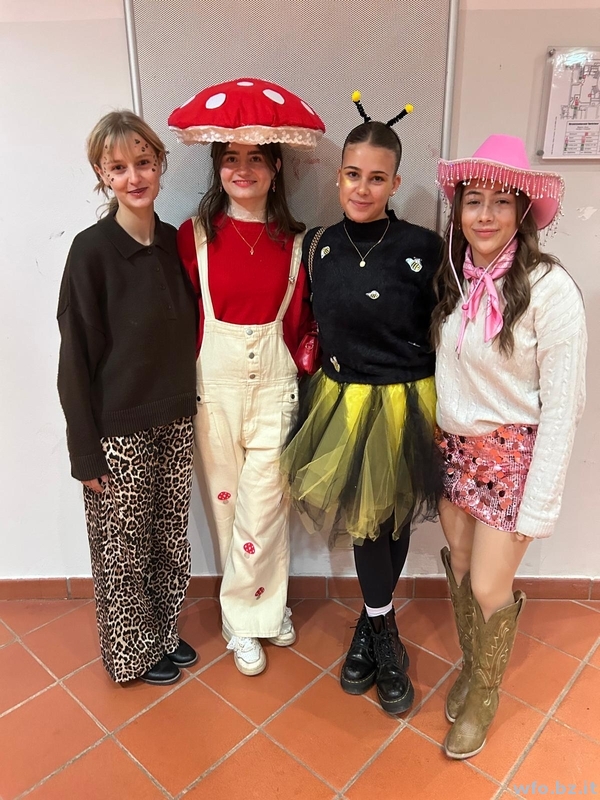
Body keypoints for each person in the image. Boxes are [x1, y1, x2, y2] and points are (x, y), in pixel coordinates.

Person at [281, 93, 443, 714]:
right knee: (369, 522)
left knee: (391, 519)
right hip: (342, 403)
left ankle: (373, 628)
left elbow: (448, 327)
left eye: (378, 177)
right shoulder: (318, 244)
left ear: (396, 182)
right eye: (353, 174)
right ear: (337, 175)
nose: (363, 187)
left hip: (407, 401)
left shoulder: (424, 246)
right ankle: (382, 631)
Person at [432, 134, 587, 758]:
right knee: (462, 566)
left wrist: (539, 505)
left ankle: (485, 692)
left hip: (511, 459)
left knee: (491, 586)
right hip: (455, 452)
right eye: (474, 200)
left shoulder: (550, 289)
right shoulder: (456, 279)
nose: (486, 215)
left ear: (523, 211)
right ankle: (472, 666)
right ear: (459, 210)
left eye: (501, 201)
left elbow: (565, 405)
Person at [174, 79, 322, 676]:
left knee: (266, 506)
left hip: (276, 388)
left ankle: (256, 610)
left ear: (276, 167)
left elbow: (303, 323)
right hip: (214, 391)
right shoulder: (193, 238)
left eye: (256, 158)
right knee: (227, 507)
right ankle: (250, 618)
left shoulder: (298, 243)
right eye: (231, 158)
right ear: (217, 167)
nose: (243, 170)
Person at [57, 110, 198, 685]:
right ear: (102, 174)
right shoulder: (90, 252)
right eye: (118, 168)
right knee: (122, 549)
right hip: (117, 430)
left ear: (160, 164)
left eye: (143, 162)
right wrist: (84, 451)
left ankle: (161, 633)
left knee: (168, 538)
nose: (134, 177)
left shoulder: (174, 243)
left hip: (176, 416)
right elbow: (74, 357)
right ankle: (129, 653)